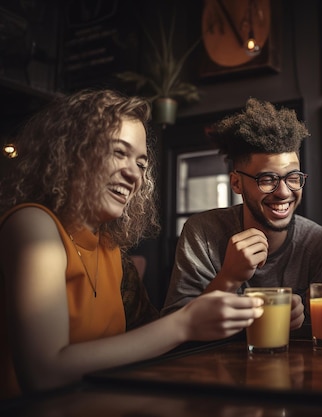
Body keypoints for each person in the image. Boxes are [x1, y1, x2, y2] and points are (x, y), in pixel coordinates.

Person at [0, 89, 265, 399]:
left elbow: (153, 340)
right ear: (72, 151)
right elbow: (44, 374)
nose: (133, 174)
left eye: (141, 163)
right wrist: (185, 323)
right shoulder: (33, 225)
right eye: (118, 152)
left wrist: (228, 282)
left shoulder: (111, 249)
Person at [161, 98, 322, 329]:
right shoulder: (203, 232)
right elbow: (173, 327)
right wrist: (229, 277)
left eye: (293, 178)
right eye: (267, 179)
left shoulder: (318, 242)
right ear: (237, 183)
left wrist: (304, 323)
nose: (283, 192)